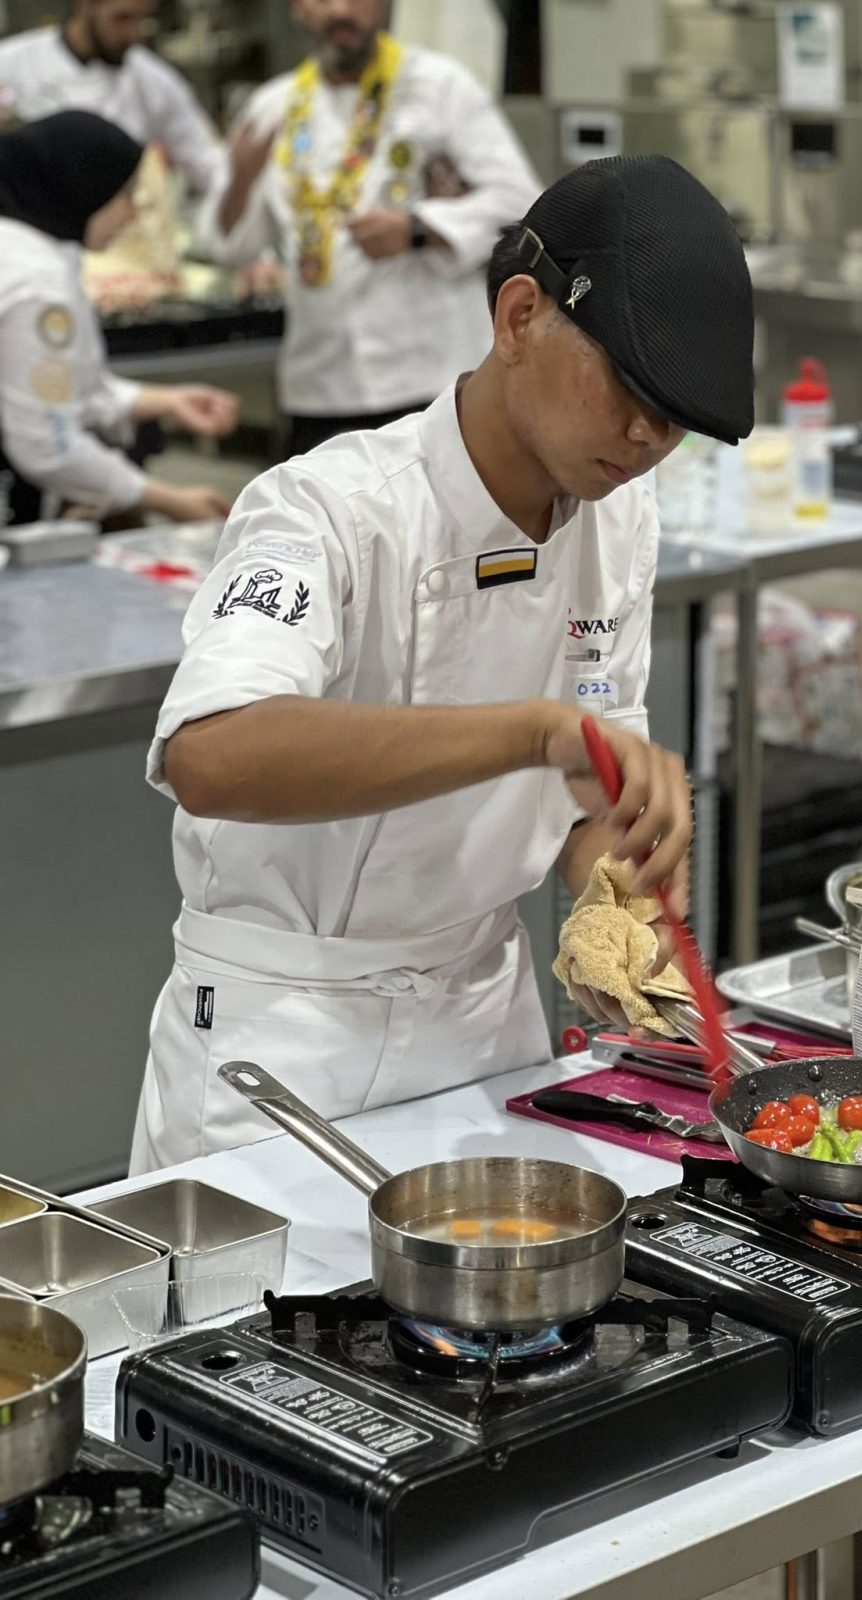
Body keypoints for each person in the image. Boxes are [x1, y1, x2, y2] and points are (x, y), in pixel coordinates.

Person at [129, 153, 755, 1173]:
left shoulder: (619, 518)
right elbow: (212, 752)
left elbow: (589, 799)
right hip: (284, 1036)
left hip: (485, 1023)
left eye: (677, 416)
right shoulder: (328, 510)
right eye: (629, 387)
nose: (648, 435)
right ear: (520, 317)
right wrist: (534, 733)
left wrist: (621, 883)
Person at [195, 0, 540, 458]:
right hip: (320, 385)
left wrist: (417, 228)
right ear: (297, 9)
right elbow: (227, 246)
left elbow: (521, 201)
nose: (341, 9)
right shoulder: (272, 107)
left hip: (434, 378)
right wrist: (239, 182)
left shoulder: (440, 87)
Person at [0, 112, 238, 527]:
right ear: (80, 186)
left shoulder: (28, 250)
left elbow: (56, 387)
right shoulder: (37, 284)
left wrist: (165, 401)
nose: (133, 214)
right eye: (125, 195)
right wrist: (166, 499)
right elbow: (46, 442)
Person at [0, 0, 222, 195]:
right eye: (122, 18)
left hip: (120, 223)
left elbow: (207, 161)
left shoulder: (154, 80)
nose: (134, 34)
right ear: (84, 5)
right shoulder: (11, 63)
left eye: (144, 20)